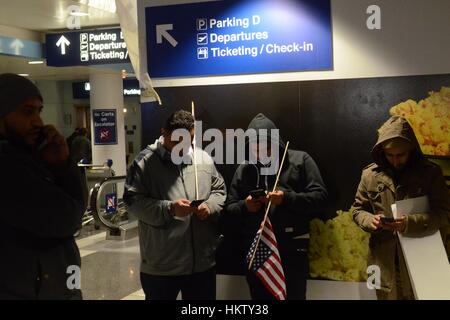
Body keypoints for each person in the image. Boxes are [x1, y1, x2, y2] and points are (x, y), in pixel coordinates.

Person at [123, 110, 226, 300]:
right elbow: (132, 203)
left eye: (190, 139)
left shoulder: (202, 158)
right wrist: (170, 209)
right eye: (178, 140)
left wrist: (210, 206)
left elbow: (219, 190)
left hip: (201, 264)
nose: (185, 146)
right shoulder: (144, 163)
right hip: (162, 267)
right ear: (164, 133)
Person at [0, 73, 86, 299]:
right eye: (27, 112)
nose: (38, 121)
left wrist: (58, 163)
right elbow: (68, 219)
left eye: (39, 111)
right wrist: (63, 167)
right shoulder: (8, 168)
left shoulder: (26, 160)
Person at [225, 113, 328, 300]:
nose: (260, 151)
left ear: (275, 142)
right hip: (257, 251)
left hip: (292, 250)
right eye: (255, 146)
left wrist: (286, 198)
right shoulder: (244, 169)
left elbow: (320, 198)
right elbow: (229, 209)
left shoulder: (300, 160)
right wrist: (246, 206)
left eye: (265, 145)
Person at [351, 115, 450, 300]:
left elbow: (444, 214)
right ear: (381, 152)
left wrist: (409, 223)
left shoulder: (431, 173)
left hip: (423, 260)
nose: (395, 161)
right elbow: (357, 210)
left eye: (401, 155)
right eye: (390, 155)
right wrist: (370, 220)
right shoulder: (369, 175)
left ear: (411, 150)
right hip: (383, 261)